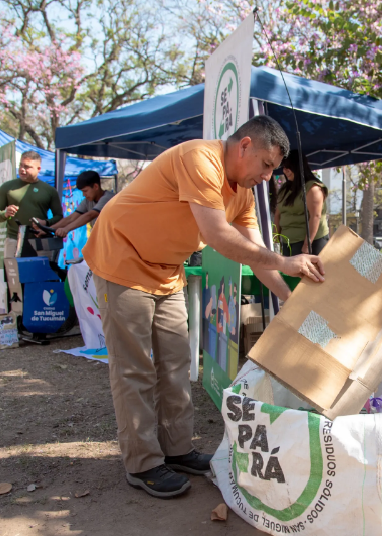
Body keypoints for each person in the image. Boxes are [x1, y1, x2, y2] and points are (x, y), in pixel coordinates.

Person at [82, 115, 325, 499]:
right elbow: (216, 235)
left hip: (166, 271)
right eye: (265, 165)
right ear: (244, 145)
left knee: (178, 363)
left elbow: (258, 256)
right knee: (135, 370)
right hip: (121, 261)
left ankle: (176, 449)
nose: (268, 177)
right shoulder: (200, 158)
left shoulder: (243, 193)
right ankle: (143, 463)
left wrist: (289, 297)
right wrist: (287, 263)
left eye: (274, 171)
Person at [0, 151, 62, 259]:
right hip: (13, 240)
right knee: (13, 275)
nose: (22, 169)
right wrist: (5, 213)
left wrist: (46, 223)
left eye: (27, 167)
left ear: (38, 169)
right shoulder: (7, 187)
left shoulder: (49, 190)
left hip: (40, 241)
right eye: (21, 165)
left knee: (40, 274)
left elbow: (59, 217)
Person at [274, 151, 329, 256]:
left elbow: (315, 216)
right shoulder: (284, 189)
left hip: (310, 243)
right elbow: (278, 214)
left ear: (298, 167)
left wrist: (307, 245)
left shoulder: (313, 188)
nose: (285, 171)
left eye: (288, 167)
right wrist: (275, 240)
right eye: (283, 167)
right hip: (288, 243)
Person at [42, 171, 114, 238]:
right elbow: (71, 218)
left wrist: (66, 229)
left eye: (85, 191)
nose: (83, 195)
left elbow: (90, 215)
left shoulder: (108, 198)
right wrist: (49, 229)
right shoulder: (87, 201)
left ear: (96, 186)